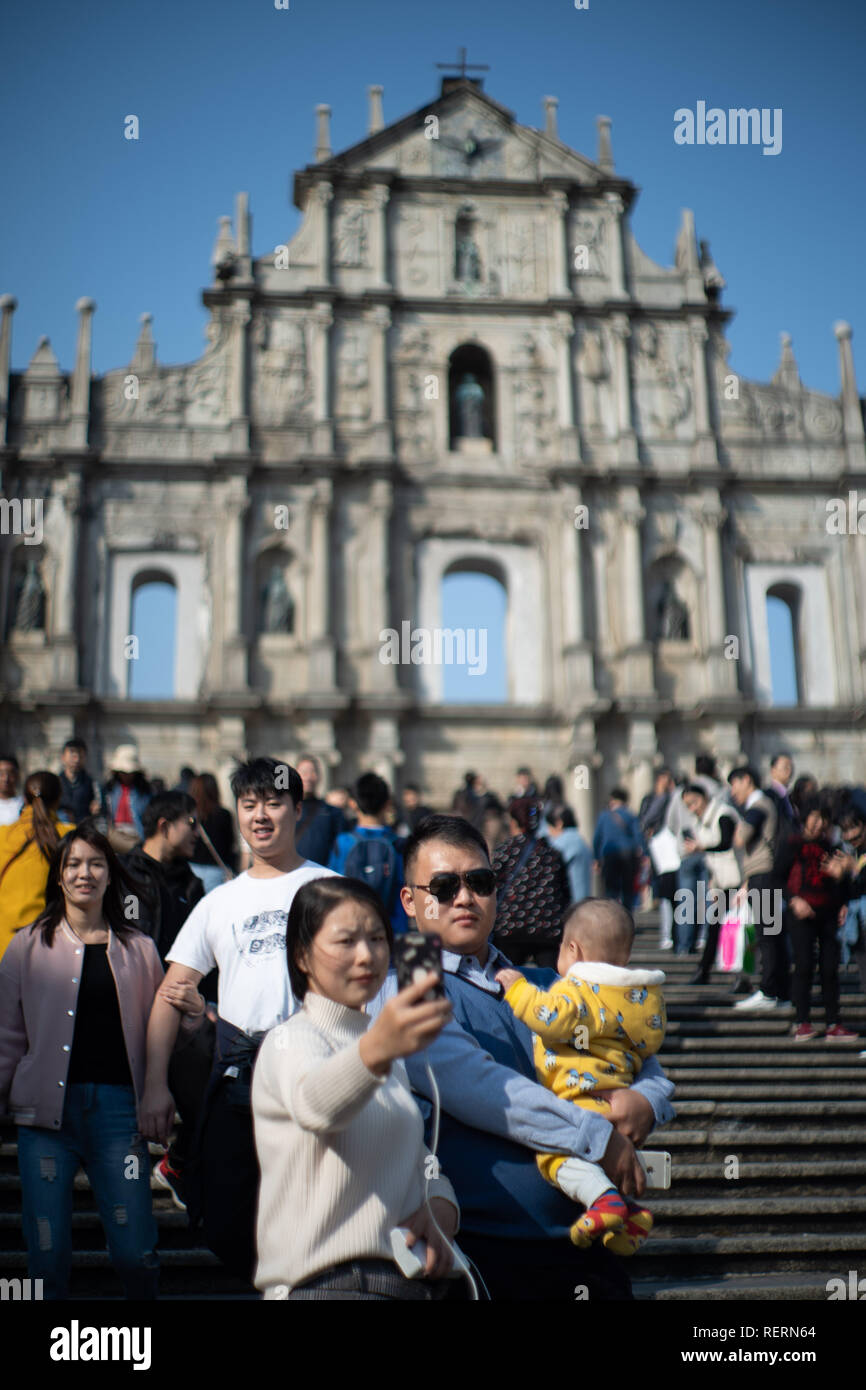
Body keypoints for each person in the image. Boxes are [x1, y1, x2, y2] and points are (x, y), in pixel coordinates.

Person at [377, 813, 675, 1302]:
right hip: (486, 1250)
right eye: (444, 886)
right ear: (410, 900)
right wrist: (600, 1137)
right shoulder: (408, 985)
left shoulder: (547, 984)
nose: (465, 898)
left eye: (479, 881)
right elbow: (481, 1089)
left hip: (585, 1244)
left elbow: (636, 1053)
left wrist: (647, 1100)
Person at [139, 757, 337, 1284]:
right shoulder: (219, 902)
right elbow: (170, 991)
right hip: (236, 1082)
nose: (261, 816)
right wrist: (154, 1086)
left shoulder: (332, 889)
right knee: (229, 1220)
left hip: (315, 1080)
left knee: (312, 1217)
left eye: (273, 803)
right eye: (249, 805)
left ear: (298, 809)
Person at [0, 822, 205, 1299]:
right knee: (46, 1253)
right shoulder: (25, 945)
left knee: (135, 1248)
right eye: (72, 864)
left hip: (117, 1115)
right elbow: (7, 1034)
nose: (83, 874)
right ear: (58, 876)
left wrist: (188, 1031)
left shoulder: (139, 948)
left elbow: (164, 1025)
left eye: (95, 863)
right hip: (43, 1119)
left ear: (110, 875)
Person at [252, 876, 458, 1300]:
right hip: (327, 1285)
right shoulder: (291, 1040)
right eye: (346, 941)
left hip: (402, 1282)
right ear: (303, 957)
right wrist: (375, 1050)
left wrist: (439, 1202)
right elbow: (317, 1106)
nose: (367, 955)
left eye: (378, 938)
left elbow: (415, 1154)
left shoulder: (384, 1051)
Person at [495, 898, 665, 1253]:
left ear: (574, 950)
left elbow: (550, 1017)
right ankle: (631, 1214)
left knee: (555, 1158)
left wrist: (518, 989)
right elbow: (648, 1046)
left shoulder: (577, 990)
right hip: (617, 1095)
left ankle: (604, 1200)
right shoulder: (639, 1000)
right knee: (601, 1160)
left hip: (578, 1099)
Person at [784, 798, 857, 1041]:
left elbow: (843, 884)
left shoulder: (832, 847)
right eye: (813, 817)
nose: (818, 823)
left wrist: (844, 898)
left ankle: (833, 1022)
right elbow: (775, 880)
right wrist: (794, 900)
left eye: (823, 818)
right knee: (804, 965)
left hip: (828, 913)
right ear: (804, 819)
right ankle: (801, 1021)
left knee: (829, 968)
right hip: (800, 913)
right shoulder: (792, 845)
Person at [730, 765, 787, 1011]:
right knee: (771, 934)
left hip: (764, 875)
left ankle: (769, 990)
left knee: (767, 934)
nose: (733, 792)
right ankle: (780, 992)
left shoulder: (758, 805)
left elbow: (740, 838)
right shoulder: (762, 805)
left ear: (747, 780)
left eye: (735, 784)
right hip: (761, 875)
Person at [0, 772, 75, 960]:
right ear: (58, 800)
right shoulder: (70, 836)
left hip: (4, 949)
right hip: (49, 948)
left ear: (24, 799)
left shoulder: (3, 835)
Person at [492, 797, 571, 968]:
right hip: (548, 928)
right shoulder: (551, 853)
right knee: (552, 982)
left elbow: (493, 888)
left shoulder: (504, 851)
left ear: (514, 822)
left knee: (503, 979)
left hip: (510, 926)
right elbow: (565, 893)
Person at [329, 772, 407, 934]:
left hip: (349, 930)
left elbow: (332, 888)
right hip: (389, 931)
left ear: (352, 803)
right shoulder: (398, 844)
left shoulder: (343, 842)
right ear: (388, 804)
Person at [682, 784, 742, 985]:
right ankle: (705, 970)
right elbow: (712, 859)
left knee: (740, 928)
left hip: (738, 880)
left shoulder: (724, 815)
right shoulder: (699, 822)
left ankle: (730, 974)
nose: (692, 808)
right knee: (716, 926)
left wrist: (701, 847)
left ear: (705, 797)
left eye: (694, 802)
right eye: (688, 805)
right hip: (721, 882)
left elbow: (726, 844)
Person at [593, 789, 644, 909]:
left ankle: (613, 918)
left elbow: (597, 839)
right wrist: (644, 855)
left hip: (609, 854)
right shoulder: (631, 815)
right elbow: (638, 837)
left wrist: (596, 858)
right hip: (628, 855)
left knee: (611, 889)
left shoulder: (604, 816)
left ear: (612, 800)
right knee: (628, 889)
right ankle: (628, 917)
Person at [188, 773, 237, 894]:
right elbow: (229, 844)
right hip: (216, 870)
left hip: (192, 867)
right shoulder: (224, 814)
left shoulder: (190, 816)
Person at [294, 754, 346, 865]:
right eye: (303, 772)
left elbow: (340, 849)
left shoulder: (332, 812)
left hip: (322, 875)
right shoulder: (286, 810)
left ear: (319, 776)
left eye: (312, 772)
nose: (308, 777)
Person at [103, 746, 151, 851]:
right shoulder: (110, 789)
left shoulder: (144, 791)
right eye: (122, 772)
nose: (126, 776)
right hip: (115, 833)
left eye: (129, 773)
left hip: (137, 834)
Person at [544, 803, 593, 904]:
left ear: (559, 823)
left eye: (549, 826)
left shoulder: (562, 842)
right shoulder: (580, 840)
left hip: (571, 904)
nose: (548, 832)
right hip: (584, 900)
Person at [57, 738, 101, 825]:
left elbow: (99, 806)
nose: (76, 760)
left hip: (83, 828)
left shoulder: (92, 783)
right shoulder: (56, 782)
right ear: (63, 757)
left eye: (80, 756)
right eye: (72, 756)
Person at [0, 754, 24, 825]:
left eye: (10, 773)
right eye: (1, 773)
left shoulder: (24, 805)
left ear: (18, 776)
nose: (5, 778)